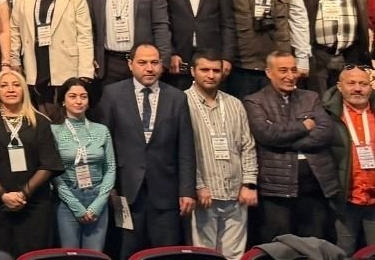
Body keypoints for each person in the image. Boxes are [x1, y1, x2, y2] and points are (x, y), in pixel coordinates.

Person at [99, 43, 196, 255]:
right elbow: (105, 144)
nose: (149, 68)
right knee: (127, 252)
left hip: (166, 192)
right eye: (142, 63)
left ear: (162, 65)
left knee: (165, 253)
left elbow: (186, 148)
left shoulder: (177, 98)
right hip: (125, 191)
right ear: (130, 64)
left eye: (154, 62)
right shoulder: (113, 94)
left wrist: (187, 191)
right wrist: (108, 186)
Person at [245, 50, 339, 243]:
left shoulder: (311, 97)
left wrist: (285, 141)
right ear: (269, 72)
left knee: (315, 245)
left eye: (293, 70)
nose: (290, 76)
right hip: (276, 188)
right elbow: (267, 134)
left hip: (314, 186)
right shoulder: (255, 101)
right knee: (280, 246)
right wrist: (304, 126)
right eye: (283, 70)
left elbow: (326, 132)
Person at [0, 68, 63, 257]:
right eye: (4, 85)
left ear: (24, 90)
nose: (11, 89)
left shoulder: (41, 122)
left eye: (16, 85)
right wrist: (3, 195)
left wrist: (23, 194)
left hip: (34, 205)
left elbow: (48, 164)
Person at [185, 51, 258, 260]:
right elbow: (184, 152)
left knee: (234, 255)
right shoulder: (182, 101)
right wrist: (198, 185)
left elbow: (247, 145)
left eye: (216, 70)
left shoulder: (234, 103)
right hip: (204, 193)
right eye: (205, 70)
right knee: (204, 255)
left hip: (236, 192)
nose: (211, 75)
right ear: (193, 71)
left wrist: (249, 183)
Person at [10, 0, 93, 116]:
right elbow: (15, 30)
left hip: (66, 64)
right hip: (34, 63)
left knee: (63, 116)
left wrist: (85, 72)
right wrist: (14, 59)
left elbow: (85, 37)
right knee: (39, 116)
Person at [50, 77, 114, 252]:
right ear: (63, 100)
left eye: (83, 96)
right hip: (67, 200)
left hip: (97, 198)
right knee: (70, 254)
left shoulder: (101, 130)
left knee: (94, 255)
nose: (79, 101)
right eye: (73, 96)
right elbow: (54, 173)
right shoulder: (53, 131)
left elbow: (110, 168)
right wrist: (76, 206)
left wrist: (98, 204)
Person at [324, 64, 375, 254]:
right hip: (344, 199)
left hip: (374, 197)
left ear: (370, 86)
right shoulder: (327, 115)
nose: (357, 88)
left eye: (363, 84)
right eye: (351, 83)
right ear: (339, 86)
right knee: (341, 252)